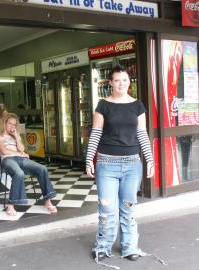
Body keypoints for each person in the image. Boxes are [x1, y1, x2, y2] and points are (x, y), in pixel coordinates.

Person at [86, 65, 154, 263]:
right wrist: (89, 159)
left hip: (133, 164)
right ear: (111, 83)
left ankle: (129, 247)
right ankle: (103, 246)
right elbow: (96, 133)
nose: (121, 83)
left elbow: (142, 134)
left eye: (125, 80)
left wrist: (149, 160)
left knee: (128, 207)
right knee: (106, 208)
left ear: (129, 82)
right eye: (117, 80)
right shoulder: (103, 105)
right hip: (107, 163)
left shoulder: (138, 106)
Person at [0, 112, 57, 216]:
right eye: (10, 124)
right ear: (4, 123)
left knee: (42, 169)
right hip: (7, 160)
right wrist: (20, 154)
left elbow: (22, 149)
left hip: (20, 159)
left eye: (14, 125)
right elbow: (4, 151)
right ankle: (11, 205)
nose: (12, 127)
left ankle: (47, 201)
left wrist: (17, 137)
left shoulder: (14, 135)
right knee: (19, 174)